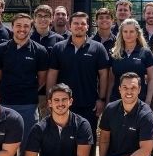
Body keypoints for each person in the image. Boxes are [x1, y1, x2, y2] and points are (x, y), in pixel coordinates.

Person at [46, 12, 110, 141]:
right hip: (62, 104)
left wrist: (101, 99)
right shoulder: (59, 48)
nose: (79, 26)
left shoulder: (98, 48)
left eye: (83, 23)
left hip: (89, 104)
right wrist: (50, 99)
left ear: (88, 27)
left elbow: (104, 75)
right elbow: (52, 74)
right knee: (63, 140)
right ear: (70, 26)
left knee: (87, 140)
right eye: (76, 23)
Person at [0, 13, 48, 144]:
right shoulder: (0, 49)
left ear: (31, 28)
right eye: (18, 25)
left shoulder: (40, 51)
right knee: (3, 141)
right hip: (5, 103)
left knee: (27, 143)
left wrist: (27, 88)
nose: (22, 29)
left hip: (29, 104)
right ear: (12, 27)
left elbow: (42, 78)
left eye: (26, 26)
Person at [108, 18, 153, 104]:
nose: (128, 34)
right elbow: (111, 80)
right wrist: (107, 101)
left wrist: (148, 101)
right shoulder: (114, 53)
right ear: (121, 34)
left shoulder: (146, 53)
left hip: (139, 101)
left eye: (131, 31)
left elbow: (151, 79)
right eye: (125, 31)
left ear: (137, 34)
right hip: (117, 100)